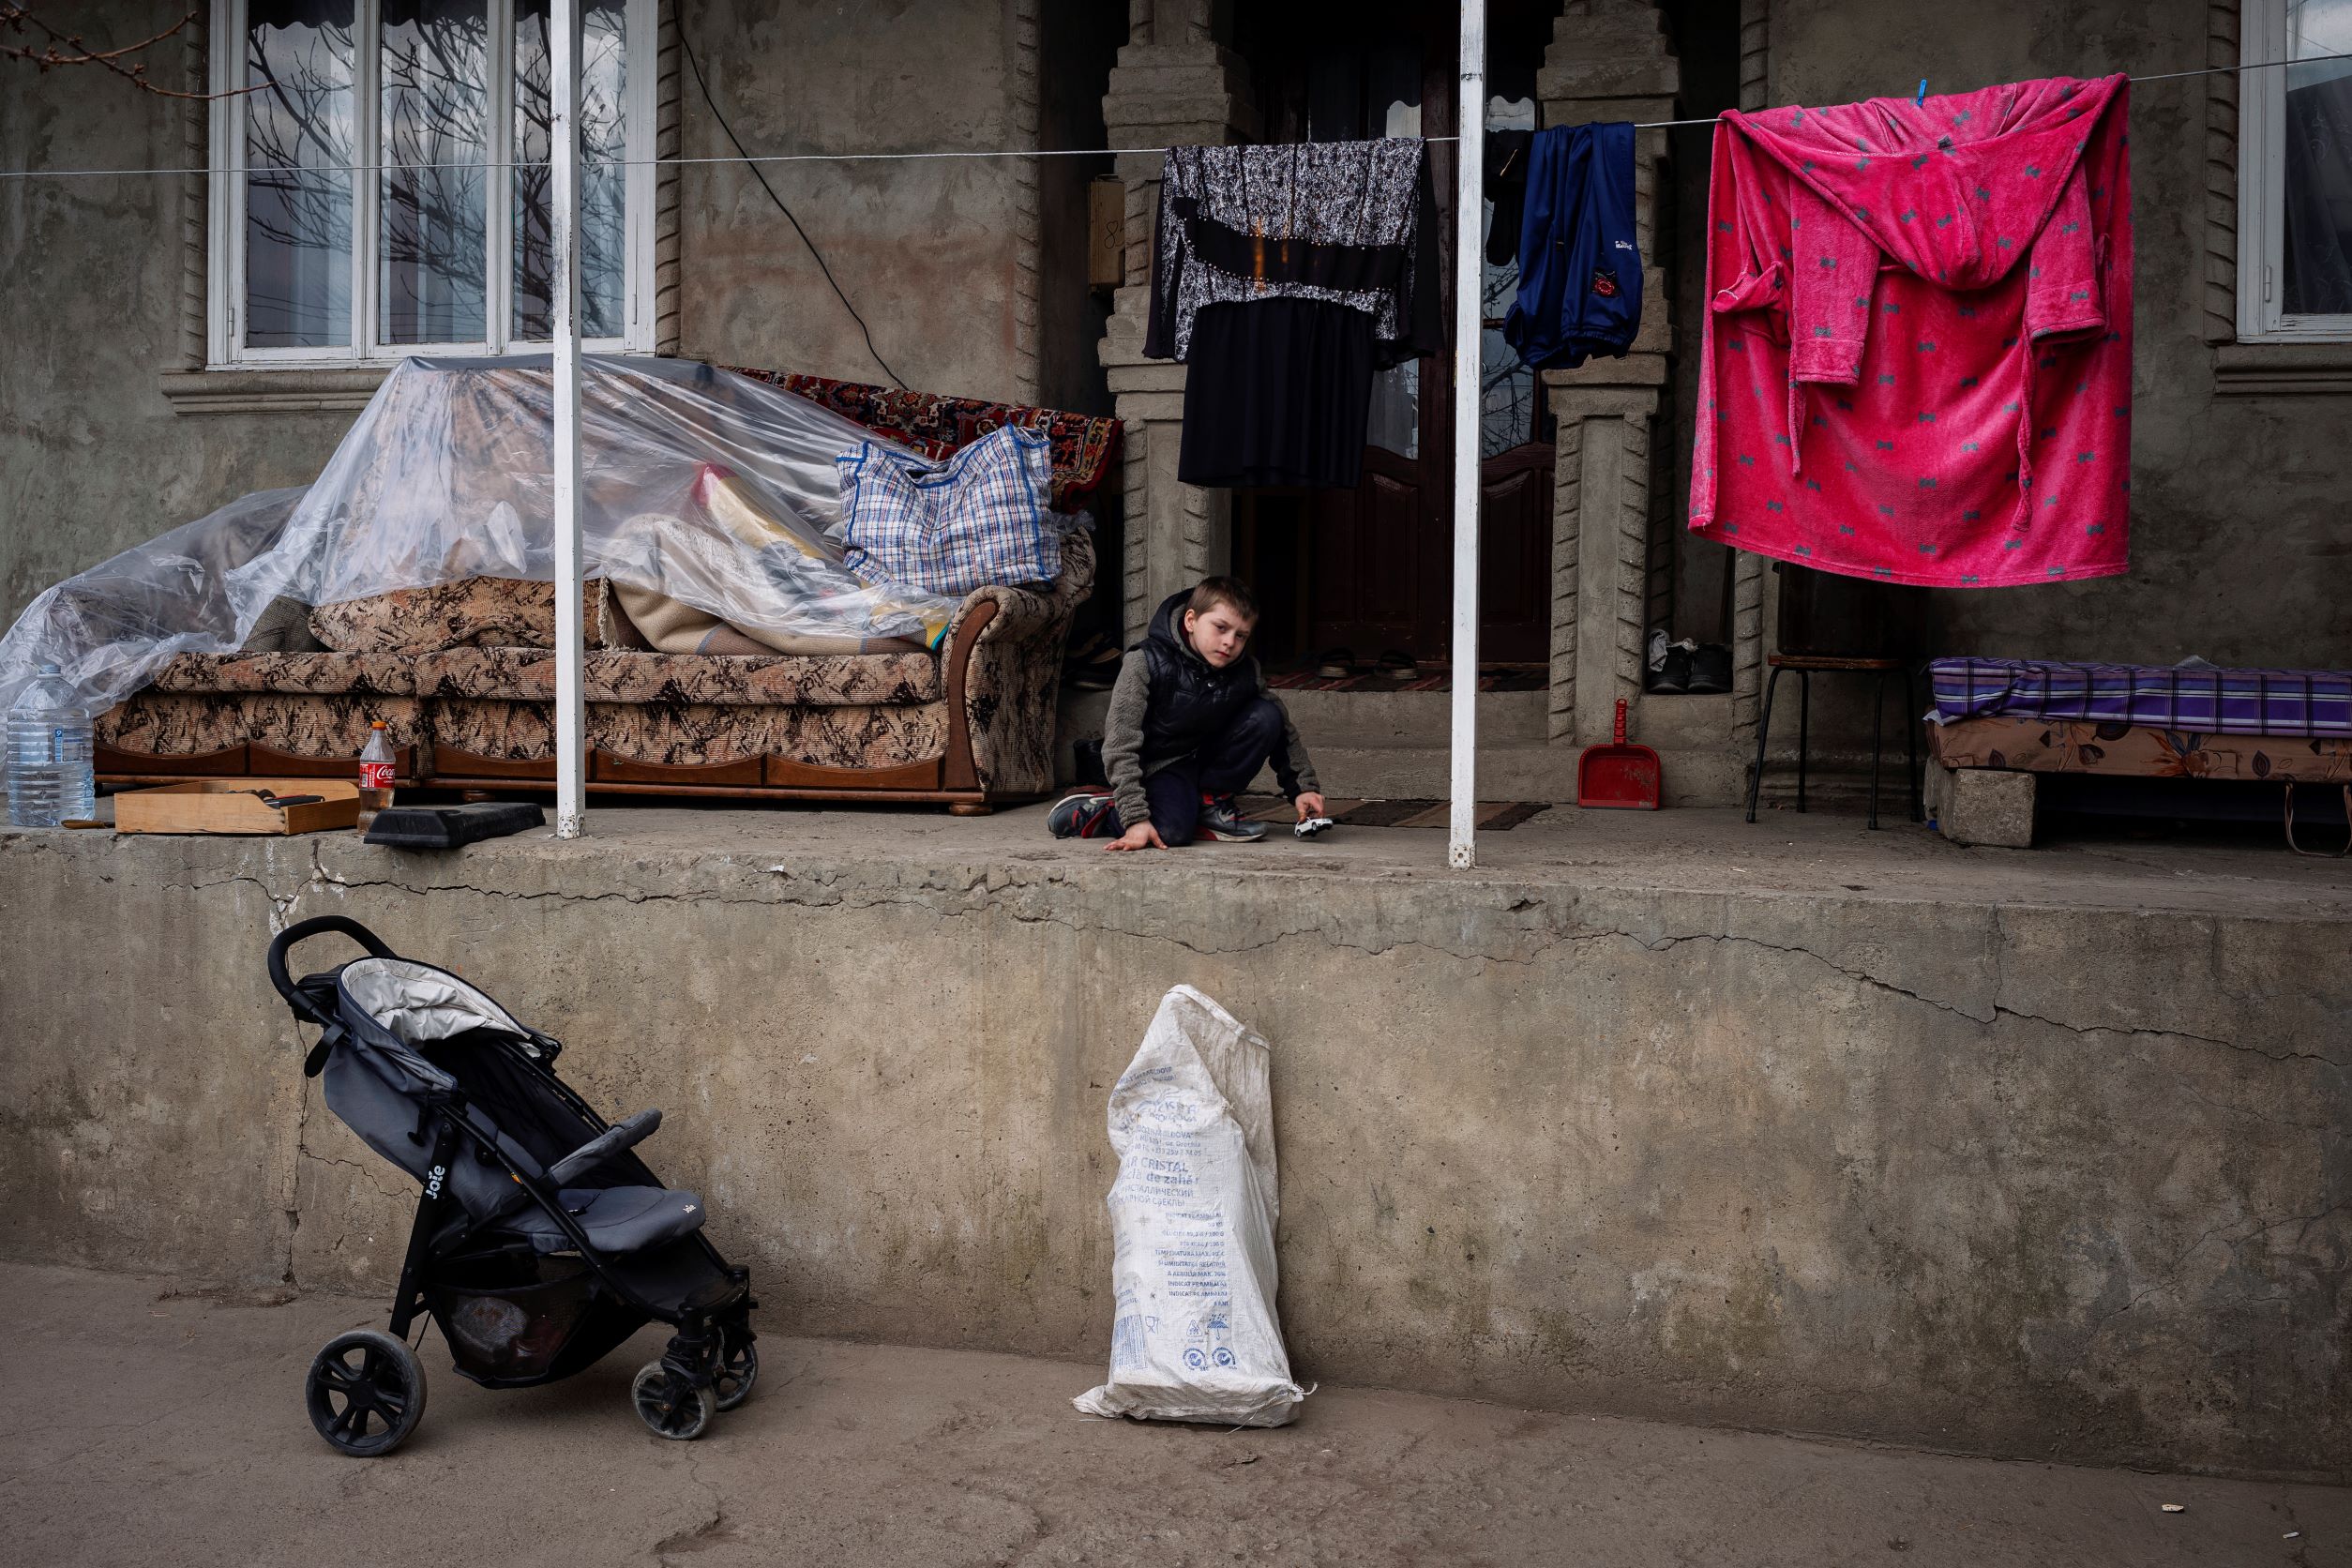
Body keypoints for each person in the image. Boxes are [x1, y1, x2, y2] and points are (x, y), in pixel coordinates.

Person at [1049, 577, 1325, 850]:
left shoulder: (1244, 671)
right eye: (1221, 628)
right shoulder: (1145, 661)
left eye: (1241, 635)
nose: (1230, 642)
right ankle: (1105, 809)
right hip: (1159, 765)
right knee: (1170, 832)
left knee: (1267, 715)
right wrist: (1134, 816)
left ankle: (1210, 805)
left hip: (1204, 758)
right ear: (1191, 620)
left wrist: (1303, 789)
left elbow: (1283, 732)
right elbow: (1121, 742)